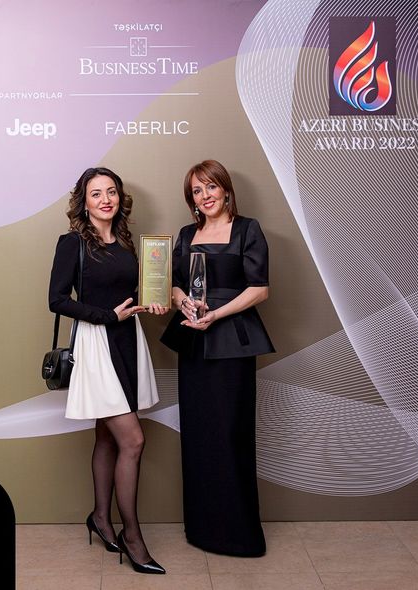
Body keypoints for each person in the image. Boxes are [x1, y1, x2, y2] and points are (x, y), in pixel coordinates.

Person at [49, 167, 168, 574]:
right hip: (98, 343)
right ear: (84, 202)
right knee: (132, 440)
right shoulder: (72, 243)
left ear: (120, 198)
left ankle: (100, 518)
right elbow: (56, 299)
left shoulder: (126, 242)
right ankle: (132, 537)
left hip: (128, 340)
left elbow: (131, 293)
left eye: (111, 191)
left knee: (106, 436)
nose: (105, 199)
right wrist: (106, 316)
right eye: (96, 193)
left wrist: (151, 301)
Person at [161, 159, 274, 557]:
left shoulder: (248, 229)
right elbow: (173, 284)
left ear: (225, 190)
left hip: (232, 341)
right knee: (199, 434)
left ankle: (239, 534)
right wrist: (183, 302)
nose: (205, 195)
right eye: (197, 190)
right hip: (194, 341)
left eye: (211, 187)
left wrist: (217, 314)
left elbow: (259, 289)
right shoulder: (186, 234)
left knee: (231, 432)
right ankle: (202, 529)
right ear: (191, 199)